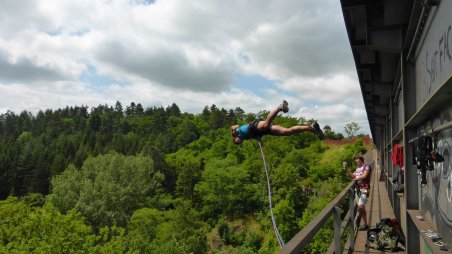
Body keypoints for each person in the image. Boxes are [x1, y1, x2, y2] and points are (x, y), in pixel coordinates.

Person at [230, 100, 325, 145]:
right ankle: (310, 128)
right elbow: (253, 135)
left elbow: (233, 127)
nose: (239, 142)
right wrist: (258, 139)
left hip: (254, 126)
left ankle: (279, 108)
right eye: (239, 143)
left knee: (266, 124)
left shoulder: (235, 134)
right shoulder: (245, 138)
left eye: (237, 141)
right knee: (287, 132)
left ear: (235, 139)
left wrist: (234, 128)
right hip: (261, 131)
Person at [343, 156, 371, 231]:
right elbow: (353, 176)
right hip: (357, 189)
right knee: (362, 208)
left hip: (365, 188)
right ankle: (366, 224)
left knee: (361, 206)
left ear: (361, 160)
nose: (355, 161)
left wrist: (357, 178)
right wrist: (347, 170)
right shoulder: (357, 169)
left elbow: (365, 175)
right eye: (355, 160)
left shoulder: (366, 166)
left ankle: (356, 219)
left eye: (356, 159)